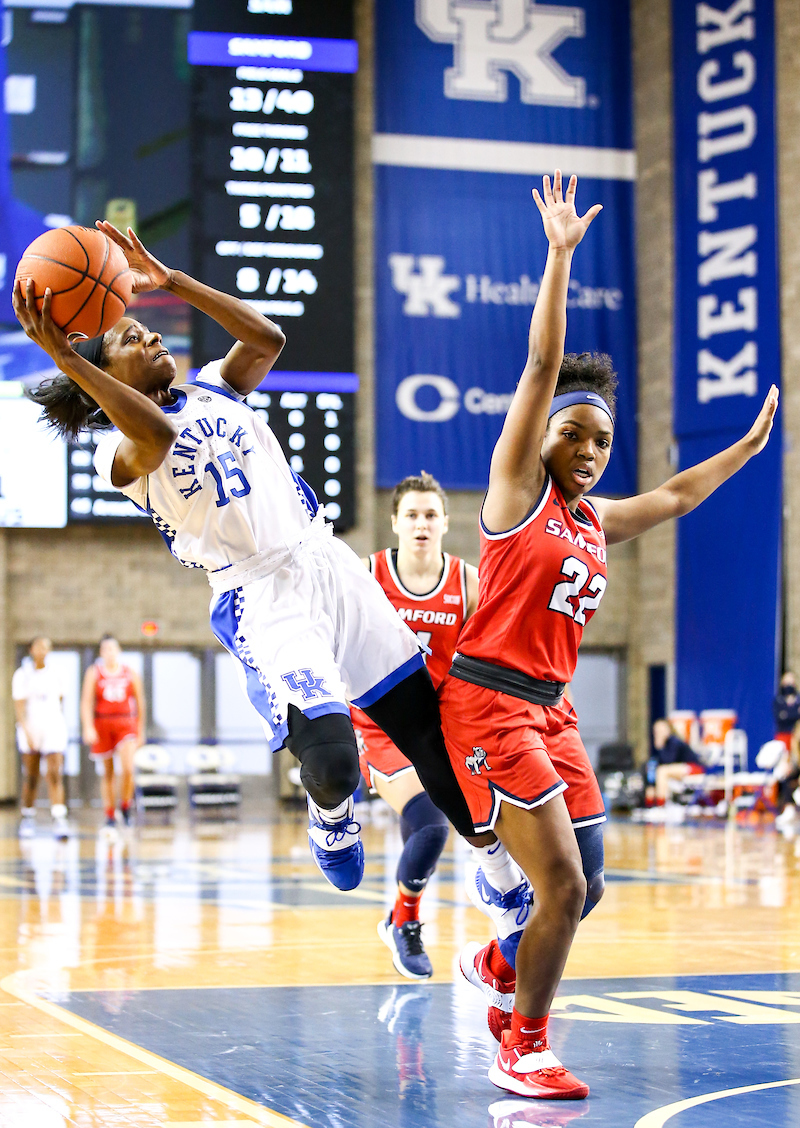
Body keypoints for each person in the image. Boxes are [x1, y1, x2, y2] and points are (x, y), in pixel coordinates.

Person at [437, 171, 779, 1100]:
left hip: (553, 713)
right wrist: (558, 258)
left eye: (601, 443)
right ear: (543, 439)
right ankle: (525, 1044)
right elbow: (543, 369)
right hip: (489, 701)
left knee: (589, 880)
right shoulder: (516, 494)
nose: (590, 452)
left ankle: (501, 965)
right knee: (560, 890)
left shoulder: (594, 521)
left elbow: (671, 497)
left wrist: (745, 452)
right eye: (576, 437)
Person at [15, 222, 478, 889]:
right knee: (336, 765)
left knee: (432, 737)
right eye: (126, 339)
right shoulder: (117, 453)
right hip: (263, 599)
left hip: (326, 562)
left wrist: (174, 281)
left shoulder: (213, 388)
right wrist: (69, 361)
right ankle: (332, 811)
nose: (148, 334)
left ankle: (501, 876)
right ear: (104, 376)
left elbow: (268, 339)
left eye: (145, 327)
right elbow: (153, 430)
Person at [352, 471, 478, 979]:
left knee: (477, 823)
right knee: (431, 823)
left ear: (445, 523)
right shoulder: (369, 574)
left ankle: (508, 910)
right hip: (381, 724)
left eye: (430, 515)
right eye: (412, 515)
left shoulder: (467, 582)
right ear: (395, 523)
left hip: (443, 728)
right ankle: (404, 920)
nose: (422, 523)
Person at [80, 635, 145, 829]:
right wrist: (88, 726)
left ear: (119, 651)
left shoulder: (129, 672)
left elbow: (140, 702)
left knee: (127, 769)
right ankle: (109, 813)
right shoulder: (94, 672)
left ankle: (125, 806)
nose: (110, 652)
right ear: (101, 652)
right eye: (106, 649)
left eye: (113, 648)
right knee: (108, 772)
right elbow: (86, 702)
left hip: (125, 722)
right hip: (103, 723)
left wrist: (140, 729)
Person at [12, 636, 70, 839]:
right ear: (31, 649)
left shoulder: (57, 673)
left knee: (54, 772)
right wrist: (26, 731)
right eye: (39, 646)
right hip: (31, 727)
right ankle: (27, 817)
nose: (42, 650)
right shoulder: (22, 675)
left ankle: (59, 817)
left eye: (46, 647)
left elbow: (61, 700)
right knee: (31, 775)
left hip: (52, 727)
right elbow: (19, 706)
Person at [645, 718, 704, 805]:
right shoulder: (661, 744)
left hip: (693, 768)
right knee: (656, 776)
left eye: (661, 729)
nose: (659, 733)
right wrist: (652, 785)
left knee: (662, 771)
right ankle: (652, 804)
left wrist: (660, 748)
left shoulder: (674, 741)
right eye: (657, 730)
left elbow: (669, 761)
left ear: (668, 729)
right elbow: (656, 764)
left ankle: (661, 805)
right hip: (677, 769)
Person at [772, 672, 800, 752]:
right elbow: (780, 717)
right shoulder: (778, 700)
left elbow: (786, 716)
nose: (789, 685)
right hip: (783, 734)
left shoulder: (798, 699)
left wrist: (787, 713)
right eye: (787, 682)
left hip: (796, 735)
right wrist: (795, 712)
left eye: (791, 682)